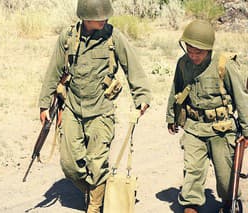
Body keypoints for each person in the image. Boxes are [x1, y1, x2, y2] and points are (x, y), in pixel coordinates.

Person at [38, 0, 151, 212]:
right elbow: (53, 71)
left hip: (101, 110)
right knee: (70, 165)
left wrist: (141, 97)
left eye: (106, 16)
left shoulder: (113, 37)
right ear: (85, 17)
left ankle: (95, 205)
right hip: (72, 108)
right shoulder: (68, 37)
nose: (105, 20)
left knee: (97, 164)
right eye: (99, 18)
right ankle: (96, 190)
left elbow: (133, 67)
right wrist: (44, 105)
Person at [166, 19, 248, 213]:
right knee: (192, 171)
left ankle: (230, 203)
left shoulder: (224, 65)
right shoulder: (183, 64)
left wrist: (246, 130)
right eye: (190, 50)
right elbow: (175, 90)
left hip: (222, 129)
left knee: (226, 178)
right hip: (194, 128)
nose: (193, 55)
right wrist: (171, 116)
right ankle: (191, 206)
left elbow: (241, 97)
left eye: (198, 52)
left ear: (208, 50)